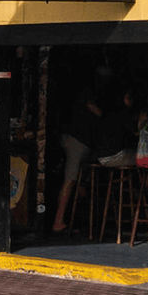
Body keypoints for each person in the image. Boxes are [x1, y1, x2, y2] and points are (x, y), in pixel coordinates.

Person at [52, 87, 103, 232]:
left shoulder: (76, 97)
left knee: (73, 180)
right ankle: (58, 221)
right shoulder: (88, 95)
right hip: (77, 142)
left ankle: (67, 219)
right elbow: (98, 112)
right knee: (70, 180)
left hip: (73, 140)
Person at [97, 87, 139, 167]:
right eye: (128, 98)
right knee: (145, 159)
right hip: (114, 156)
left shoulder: (108, 111)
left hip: (101, 156)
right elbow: (135, 132)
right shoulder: (122, 113)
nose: (131, 101)